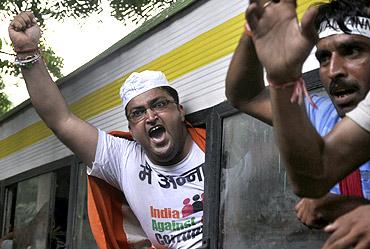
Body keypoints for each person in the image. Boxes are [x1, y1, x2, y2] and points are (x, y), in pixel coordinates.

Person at [8, 12, 205, 249]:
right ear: (131, 129)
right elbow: (61, 120)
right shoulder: (123, 159)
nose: (151, 117)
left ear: (180, 111)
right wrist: (27, 51)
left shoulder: (215, 146)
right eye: (138, 113)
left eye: (159, 104)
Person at [226, 0, 370, 248]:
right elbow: (244, 96)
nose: (334, 70)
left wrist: (352, 208)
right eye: (324, 58)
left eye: (352, 51)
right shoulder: (320, 115)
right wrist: (255, 36)